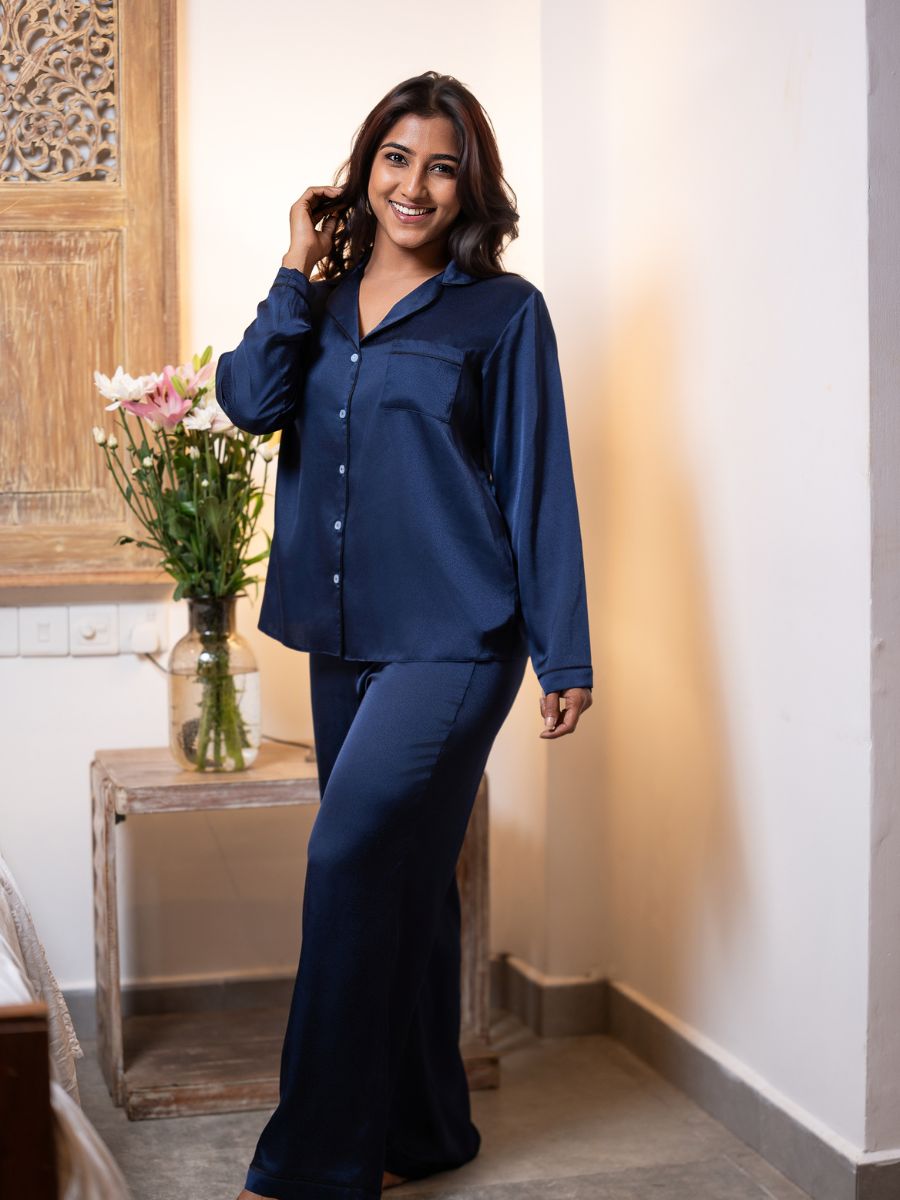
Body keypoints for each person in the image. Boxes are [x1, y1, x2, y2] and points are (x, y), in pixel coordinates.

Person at [218, 70, 593, 1200]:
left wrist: (563, 651)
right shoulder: (320, 303)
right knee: (407, 880)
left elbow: (538, 484)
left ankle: (312, 1166)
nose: (415, 184)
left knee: (346, 861)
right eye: (396, 157)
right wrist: (295, 262)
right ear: (364, 165)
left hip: (458, 638)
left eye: (440, 164)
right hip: (345, 634)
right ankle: (427, 1129)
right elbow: (245, 400)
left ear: (467, 183)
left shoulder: (503, 311)